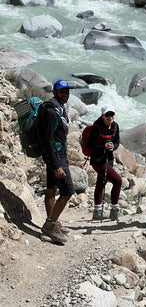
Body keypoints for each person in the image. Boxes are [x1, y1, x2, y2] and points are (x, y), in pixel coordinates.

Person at [38, 79, 75, 245]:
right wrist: (56, 165)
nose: (65, 94)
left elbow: (59, 136)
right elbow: (48, 140)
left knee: (52, 189)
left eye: (67, 91)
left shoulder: (59, 109)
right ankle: (50, 226)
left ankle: (53, 221)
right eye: (61, 91)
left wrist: (64, 155)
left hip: (58, 154)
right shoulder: (52, 112)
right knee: (67, 190)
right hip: (54, 156)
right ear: (54, 92)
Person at [87, 105, 122, 221]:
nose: (110, 117)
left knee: (101, 182)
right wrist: (104, 145)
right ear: (102, 116)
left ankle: (97, 212)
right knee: (118, 181)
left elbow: (116, 142)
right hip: (98, 160)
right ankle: (114, 210)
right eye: (107, 115)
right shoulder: (97, 127)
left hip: (109, 159)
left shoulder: (115, 126)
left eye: (112, 114)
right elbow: (90, 145)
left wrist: (113, 146)